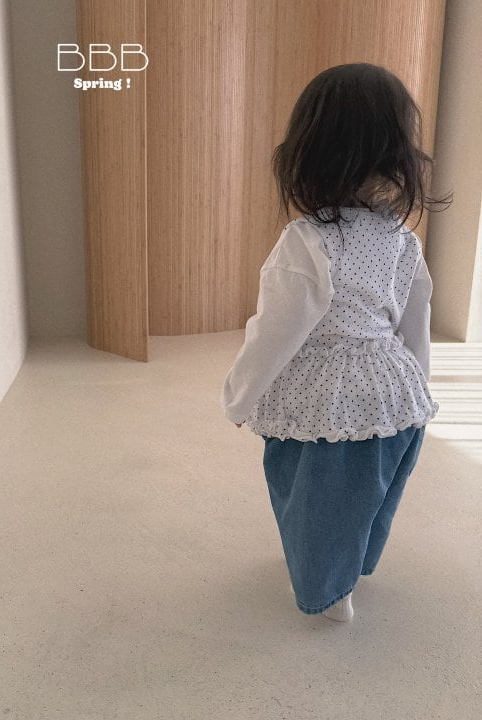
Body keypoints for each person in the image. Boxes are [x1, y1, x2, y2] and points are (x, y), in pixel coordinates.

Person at [220, 63, 451, 622]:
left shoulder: (307, 241)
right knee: (369, 490)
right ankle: (348, 567)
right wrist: (415, 390)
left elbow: (277, 329)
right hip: (390, 389)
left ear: (308, 151)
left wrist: (240, 396)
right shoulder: (402, 239)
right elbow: (415, 320)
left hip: (325, 395)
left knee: (312, 491)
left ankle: (328, 589)